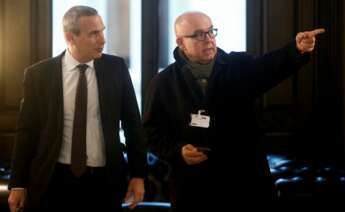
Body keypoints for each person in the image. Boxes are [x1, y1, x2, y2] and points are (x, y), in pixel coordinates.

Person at [143, 11, 324, 211]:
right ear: (180, 42)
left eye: (211, 32)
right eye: (199, 35)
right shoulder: (163, 83)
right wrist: (178, 150)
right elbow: (151, 133)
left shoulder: (238, 66)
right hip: (193, 189)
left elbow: (271, 66)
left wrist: (297, 49)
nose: (209, 39)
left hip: (244, 184)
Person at [7, 5, 147, 212]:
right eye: (94, 34)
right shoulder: (39, 75)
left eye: (102, 31)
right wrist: (17, 183)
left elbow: (133, 125)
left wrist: (138, 174)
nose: (103, 40)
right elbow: (27, 132)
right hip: (52, 179)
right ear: (69, 37)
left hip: (104, 180)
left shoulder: (116, 68)